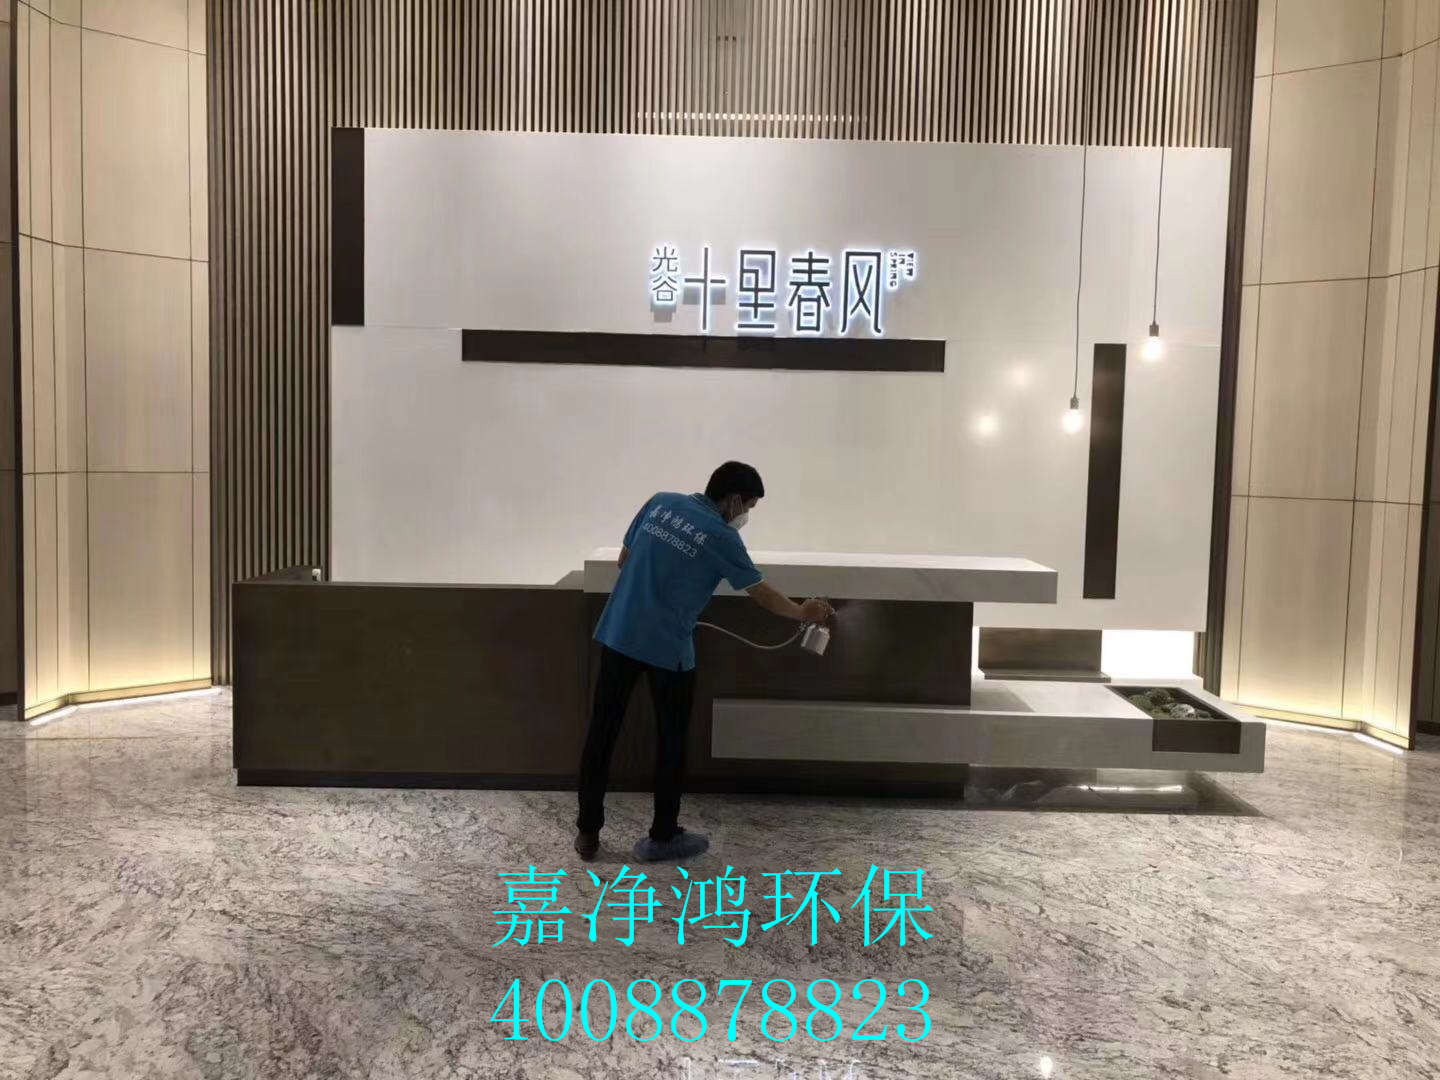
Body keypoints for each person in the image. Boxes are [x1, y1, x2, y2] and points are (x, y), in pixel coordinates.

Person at [575, 461, 834, 863]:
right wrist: (803, 612)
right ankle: (663, 836)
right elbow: (760, 592)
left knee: (601, 734)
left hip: (619, 633)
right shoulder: (722, 536)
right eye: (748, 507)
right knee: (671, 743)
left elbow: (625, 559)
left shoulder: (660, 502)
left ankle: (588, 833)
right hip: (668, 651)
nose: (745, 516)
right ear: (733, 500)